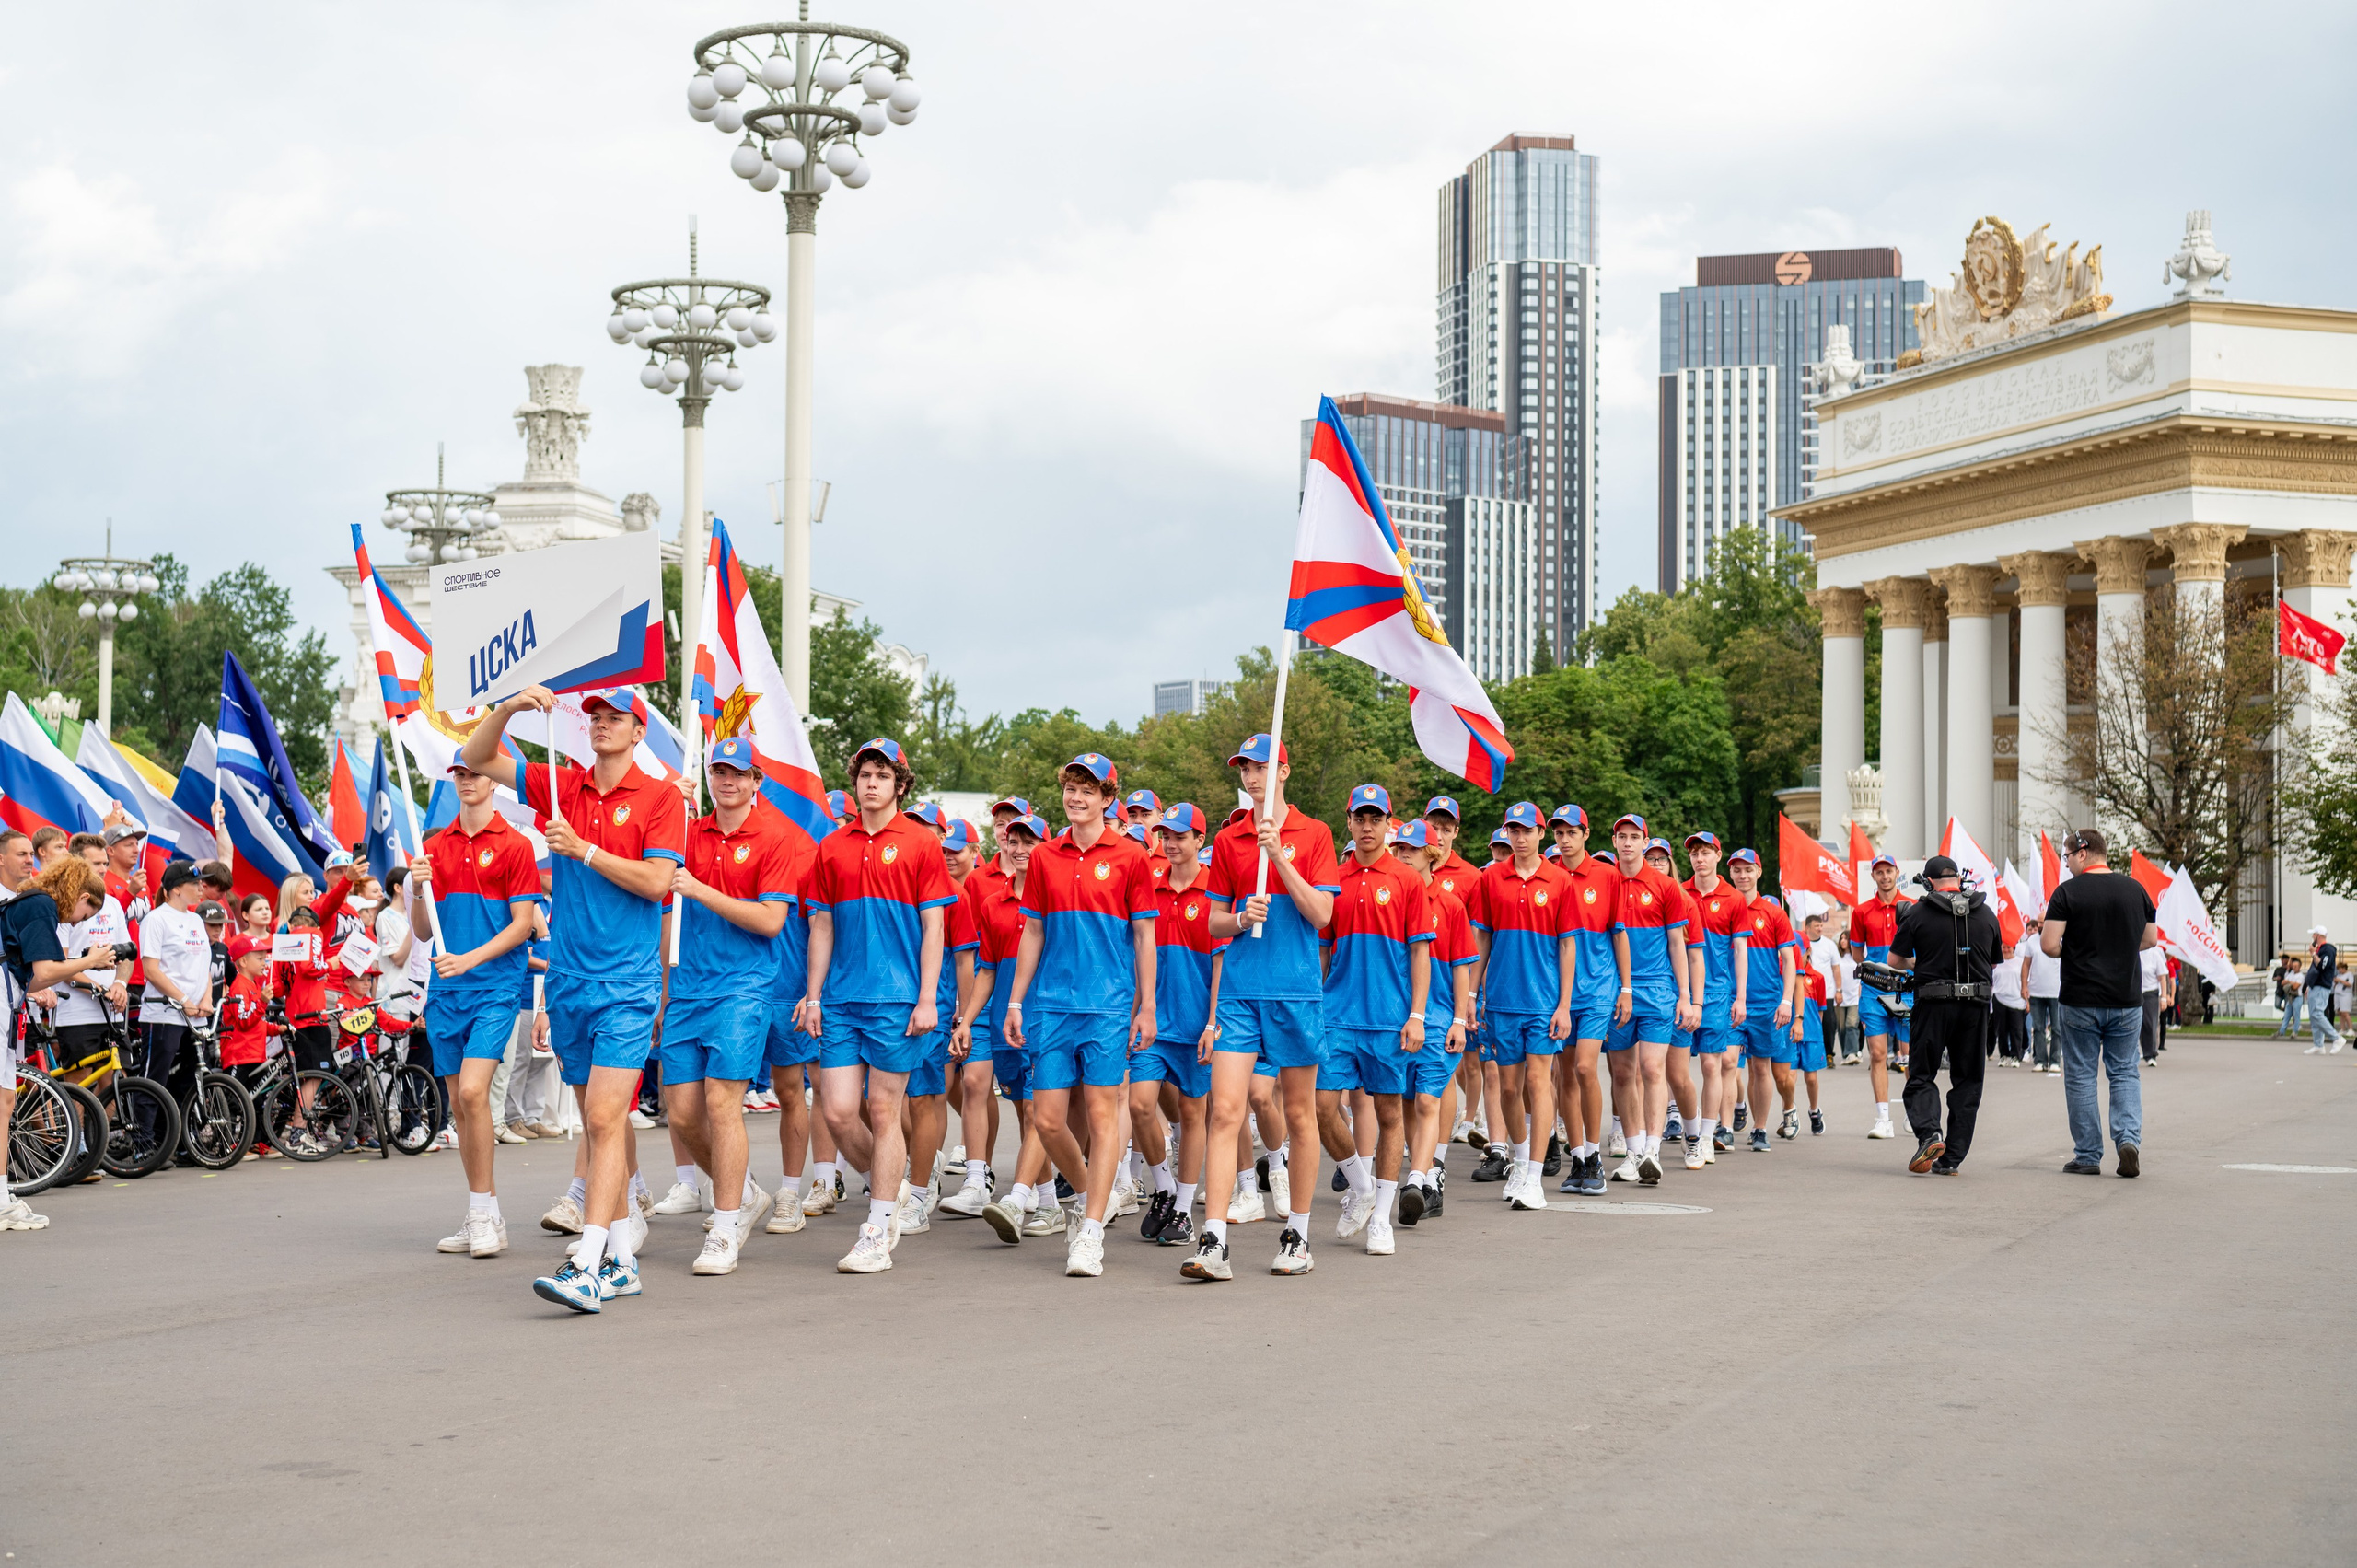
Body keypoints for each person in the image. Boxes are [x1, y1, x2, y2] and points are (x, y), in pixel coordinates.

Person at [463, 685, 687, 1312]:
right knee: (595, 1121)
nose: (602, 725)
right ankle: (620, 1256)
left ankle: (587, 1263)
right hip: (569, 982)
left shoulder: (661, 797)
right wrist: (507, 709)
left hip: (626, 984)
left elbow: (657, 879)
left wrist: (583, 849)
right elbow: (478, 757)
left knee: (603, 1119)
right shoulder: (562, 785)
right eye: (595, 717)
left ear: (639, 731)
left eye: (617, 718)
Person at [799, 738, 953, 1277]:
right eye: (864, 774)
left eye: (882, 775)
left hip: (897, 998)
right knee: (840, 1112)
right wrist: (814, 995)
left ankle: (877, 1226)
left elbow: (935, 925)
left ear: (900, 785)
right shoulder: (833, 846)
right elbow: (821, 926)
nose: (871, 783)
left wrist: (929, 997)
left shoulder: (919, 843)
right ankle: (898, 1189)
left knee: (886, 1109)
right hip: (840, 999)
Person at [1187, 733, 1338, 1281]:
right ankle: (1214, 1240)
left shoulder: (1315, 834)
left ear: (1284, 772)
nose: (1252, 777)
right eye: (1245, 768)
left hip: (1296, 990)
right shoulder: (1229, 841)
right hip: (1240, 994)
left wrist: (1279, 857)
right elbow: (1212, 923)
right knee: (1225, 1112)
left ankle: (1297, 1233)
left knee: (1299, 1113)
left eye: (1262, 767)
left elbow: (1321, 913)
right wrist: (1240, 919)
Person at [1003, 752, 1156, 1279]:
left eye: (1089, 790)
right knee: (1045, 1119)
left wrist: (1147, 1006)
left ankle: (1090, 1232)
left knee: (1099, 1114)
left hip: (1109, 1007)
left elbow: (1144, 936)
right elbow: (1034, 932)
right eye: (1071, 787)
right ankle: (1094, 1196)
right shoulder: (1045, 856)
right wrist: (1017, 999)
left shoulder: (1131, 857)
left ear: (1109, 799)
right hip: (1051, 1004)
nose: (1077, 797)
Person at [656, 738, 797, 1276]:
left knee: (722, 1105)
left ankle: (724, 1224)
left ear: (756, 780)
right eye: (718, 771)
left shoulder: (775, 838)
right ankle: (744, 1192)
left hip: (743, 988)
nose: (727, 781)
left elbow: (769, 921)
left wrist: (700, 888)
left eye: (737, 773)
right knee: (683, 1113)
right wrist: (668, 802)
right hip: (689, 987)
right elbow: (659, 889)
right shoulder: (688, 833)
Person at [408, 761, 541, 1260]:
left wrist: (469, 960)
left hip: (493, 989)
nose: (467, 780)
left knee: (472, 1091)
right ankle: (482, 1209)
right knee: (461, 1109)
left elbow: (522, 926)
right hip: (446, 992)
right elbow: (424, 931)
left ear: (492, 781)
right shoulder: (435, 847)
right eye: (459, 774)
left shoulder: (515, 844)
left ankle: (483, 1215)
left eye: (475, 772)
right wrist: (419, 889)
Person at [1313, 784, 1431, 1255]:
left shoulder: (1406, 879)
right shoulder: (1333, 879)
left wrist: (1417, 1015)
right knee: (1322, 1107)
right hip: (1337, 1014)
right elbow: (1323, 950)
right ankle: (1360, 1187)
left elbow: (1420, 953)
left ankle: (1380, 1217)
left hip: (1388, 1017)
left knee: (1387, 1114)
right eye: (1359, 818)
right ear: (1349, 822)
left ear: (1388, 823)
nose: (1367, 826)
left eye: (1375, 818)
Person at [1463, 803, 1575, 1207]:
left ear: (1541, 834)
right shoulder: (1491, 879)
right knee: (1508, 1087)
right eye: (1513, 830)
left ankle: (1533, 1175)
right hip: (1501, 1001)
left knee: (1537, 1081)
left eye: (1528, 830)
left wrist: (1564, 1004)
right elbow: (1481, 941)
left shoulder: (1560, 881)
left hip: (1543, 1001)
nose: (1520, 837)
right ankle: (1520, 1156)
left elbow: (1567, 946)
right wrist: (1472, 996)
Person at [2, 851, 122, 1230]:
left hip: (9, 997)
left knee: (6, 1099)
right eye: (85, 913)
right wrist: (88, 962)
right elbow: (47, 970)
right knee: (3, 1100)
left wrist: (84, 963)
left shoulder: (32, 901)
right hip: (2, 998)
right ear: (80, 895)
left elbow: (37, 979)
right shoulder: (41, 905)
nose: (79, 920)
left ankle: (2, 1191)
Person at [2039, 829, 2159, 1177]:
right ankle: (2128, 1140)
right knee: (2123, 1071)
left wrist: (2077, 951)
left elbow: (2048, 945)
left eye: (2066, 857)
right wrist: (2116, 950)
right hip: (2126, 997)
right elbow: (2150, 939)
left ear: (2082, 852)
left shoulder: (2067, 893)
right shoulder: (2136, 890)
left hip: (2080, 998)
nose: (2065, 864)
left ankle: (2089, 1155)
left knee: (2080, 1075)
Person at [1130, 802, 1221, 1248]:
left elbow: (1220, 962)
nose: (1170, 843)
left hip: (1196, 1024)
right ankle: (1163, 1187)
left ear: (1199, 841)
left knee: (1192, 1113)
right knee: (1140, 1105)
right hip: (1154, 1020)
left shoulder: (1213, 892)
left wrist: (1213, 1021)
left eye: (1181, 836)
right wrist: (1135, 1011)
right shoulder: (1151, 886)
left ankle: (1184, 1209)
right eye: (1166, 835)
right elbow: (1137, 956)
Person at [1892, 855, 2003, 1175]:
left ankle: (1929, 1134)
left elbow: (1895, 959)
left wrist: (1920, 964)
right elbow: (1994, 962)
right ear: (1959, 880)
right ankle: (1952, 1157)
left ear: (1928, 883)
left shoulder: (1917, 913)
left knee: (1922, 1074)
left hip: (1933, 1004)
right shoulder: (1986, 913)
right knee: (1968, 1080)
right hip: (1976, 1008)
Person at [1602, 814, 1693, 1185]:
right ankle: (1635, 1151)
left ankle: (1653, 1151)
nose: (1627, 843)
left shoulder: (1665, 886)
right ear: (1613, 841)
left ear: (1645, 841)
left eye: (1634, 837)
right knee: (1623, 1073)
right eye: (1621, 836)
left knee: (1653, 1069)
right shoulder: (1603, 883)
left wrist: (1685, 996)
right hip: (1615, 991)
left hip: (1657, 989)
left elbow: (1677, 943)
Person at [1392, 819, 1472, 1220]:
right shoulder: (1389, 898)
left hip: (1438, 1016)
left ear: (1432, 853)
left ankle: (1420, 1177)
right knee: (1408, 1100)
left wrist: (1460, 1018)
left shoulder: (1450, 903)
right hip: (1394, 1015)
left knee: (1427, 1097)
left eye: (1412, 848)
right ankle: (1419, 1175)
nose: (1403, 853)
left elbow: (1461, 967)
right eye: (1400, 848)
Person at [1549, 807, 1625, 1194]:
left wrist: (1625, 988)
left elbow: (1619, 934)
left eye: (1571, 832)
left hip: (1597, 989)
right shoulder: (1550, 875)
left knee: (1584, 1068)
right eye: (1558, 833)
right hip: (1558, 992)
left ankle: (1595, 1156)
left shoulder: (1607, 875)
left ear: (1585, 834)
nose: (1564, 839)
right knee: (1563, 1074)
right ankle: (1577, 1158)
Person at [1678, 831, 1747, 1167]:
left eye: (1706, 852)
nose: (1699, 858)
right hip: (1681, 989)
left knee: (1712, 1064)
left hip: (1717, 992)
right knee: (1674, 1067)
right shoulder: (1679, 892)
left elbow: (1740, 951)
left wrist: (1741, 997)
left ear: (1718, 856)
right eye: (1694, 853)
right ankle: (1688, 1130)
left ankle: (1707, 1135)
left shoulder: (1733, 898)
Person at [1725, 851, 1798, 1151]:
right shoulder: (1724, 907)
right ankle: (1725, 1128)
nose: (1742, 876)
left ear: (1758, 872)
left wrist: (1786, 1001)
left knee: (1760, 1068)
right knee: (1728, 1062)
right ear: (1730, 874)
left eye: (1748, 870)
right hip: (1730, 999)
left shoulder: (1774, 913)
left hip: (1767, 1001)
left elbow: (1790, 961)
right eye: (1737, 870)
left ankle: (1759, 1129)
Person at [1847, 854, 1912, 1138]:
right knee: (1877, 1053)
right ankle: (1883, 1119)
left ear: (1897, 872)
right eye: (1879, 872)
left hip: (1907, 989)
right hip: (1874, 990)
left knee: (1911, 1056)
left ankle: (1914, 1113)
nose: (1885, 876)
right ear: (1873, 876)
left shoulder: (1912, 907)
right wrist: (1874, 967)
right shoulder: (1861, 911)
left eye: (1889, 871)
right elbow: (1856, 953)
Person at [2023, 920, 2063, 1072]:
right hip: (2036, 992)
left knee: (2057, 1029)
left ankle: (2054, 1062)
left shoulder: (2061, 938)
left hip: (2057, 992)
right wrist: (2024, 986)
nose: (2041, 925)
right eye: (2039, 922)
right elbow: (2026, 964)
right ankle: (2040, 1060)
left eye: (2043, 922)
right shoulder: (2032, 941)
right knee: (2038, 1028)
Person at [2299, 927, 2340, 1054]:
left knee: (2317, 1013)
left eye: (2313, 935)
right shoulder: (2320, 949)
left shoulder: (2328, 949)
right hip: (2316, 985)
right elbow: (2315, 970)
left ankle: (2336, 1038)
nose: (2312, 937)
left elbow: (2323, 965)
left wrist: (2313, 954)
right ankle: (2318, 1045)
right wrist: (2309, 985)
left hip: (2322, 986)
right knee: (2313, 1015)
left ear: (2318, 935)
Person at [1991, 935, 2028, 1065]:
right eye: (2003, 947)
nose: (2006, 950)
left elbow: (2026, 981)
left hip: (2017, 999)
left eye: (2008, 947)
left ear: (2013, 948)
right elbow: (1992, 981)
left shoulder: (2020, 962)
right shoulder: (1996, 963)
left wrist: (2028, 1000)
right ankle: (2003, 1055)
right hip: (1999, 997)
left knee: (2016, 1029)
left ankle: (2016, 1056)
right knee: (2001, 1030)